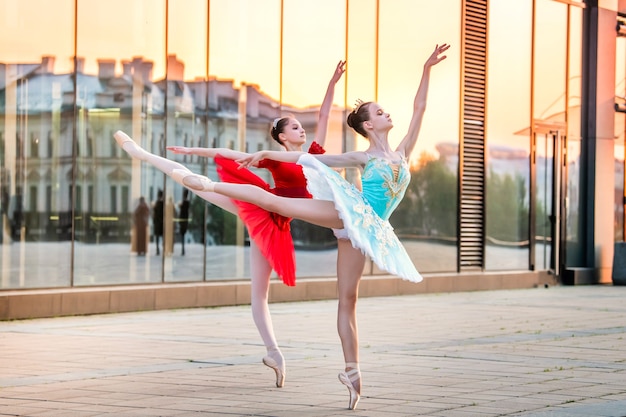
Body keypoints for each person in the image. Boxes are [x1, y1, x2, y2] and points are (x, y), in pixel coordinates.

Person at [164, 43, 448, 409]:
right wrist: (267, 153)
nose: (386, 113)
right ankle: (210, 186)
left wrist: (426, 68)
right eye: (379, 112)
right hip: (352, 213)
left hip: (370, 231)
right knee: (277, 202)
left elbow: (419, 107)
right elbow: (308, 159)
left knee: (348, 301)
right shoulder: (361, 157)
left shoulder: (404, 151)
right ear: (368, 125)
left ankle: (351, 372)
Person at [114, 60, 346, 389]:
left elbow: (323, 117)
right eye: (293, 127)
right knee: (197, 184)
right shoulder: (274, 157)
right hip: (260, 203)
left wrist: (332, 82)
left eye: (300, 126)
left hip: (276, 225)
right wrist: (194, 149)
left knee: (260, 295)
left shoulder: (313, 153)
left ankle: (274, 355)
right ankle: (144, 155)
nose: (301, 130)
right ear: (281, 136)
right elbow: (229, 152)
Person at [177, 189, 191, 256]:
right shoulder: (187, 202)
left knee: (182, 234)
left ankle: (183, 249)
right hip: (185, 220)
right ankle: (183, 249)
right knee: (182, 234)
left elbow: (182, 208)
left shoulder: (185, 202)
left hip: (183, 220)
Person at [152, 190, 164, 256]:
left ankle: (157, 249)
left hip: (157, 222)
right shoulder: (162, 203)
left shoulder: (157, 203)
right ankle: (161, 249)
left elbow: (155, 213)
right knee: (162, 236)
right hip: (161, 222)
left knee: (157, 237)